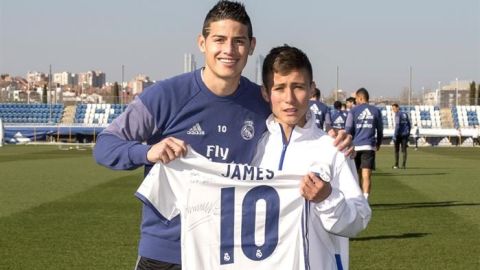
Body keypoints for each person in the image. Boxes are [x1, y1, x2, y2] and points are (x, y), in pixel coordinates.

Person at [93, 1, 352, 269]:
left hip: (228, 254)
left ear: (251, 46)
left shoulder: (261, 101)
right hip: (166, 252)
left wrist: (332, 138)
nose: (229, 50)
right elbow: (105, 145)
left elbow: (294, 116)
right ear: (202, 43)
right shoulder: (166, 96)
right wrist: (147, 152)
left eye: (238, 41)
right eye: (219, 39)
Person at [252, 45, 371, 270]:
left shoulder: (333, 147)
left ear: (312, 88)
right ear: (266, 93)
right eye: (279, 88)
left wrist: (328, 198)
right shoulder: (254, 148)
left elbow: (360, 218)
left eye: (298, 87)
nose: (289, 98)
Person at [345, 88, 383, 200]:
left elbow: (348, 130)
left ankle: (356, 199)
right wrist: (378, 143)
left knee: (355, 175)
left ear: (361, 98)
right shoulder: (376, 111)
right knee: (366, 175)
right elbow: (380, 130)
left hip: (355, 147)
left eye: (356, 98)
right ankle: (365, 200)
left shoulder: (353, 111)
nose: (355, 101)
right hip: (369, 146)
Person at [391, 103, 411, 169]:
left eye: (394, 108)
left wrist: (395, 135)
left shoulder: (397, 115)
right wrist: (408, 133)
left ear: (397, 108)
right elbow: (409, 124)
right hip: (405, 135)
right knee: (404, 150)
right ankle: (403, 165)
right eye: (392, 109)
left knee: (396, 150)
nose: (393, 110)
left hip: (399, 135)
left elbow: (397, 126)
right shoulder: (405, 114)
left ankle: (396, 165)